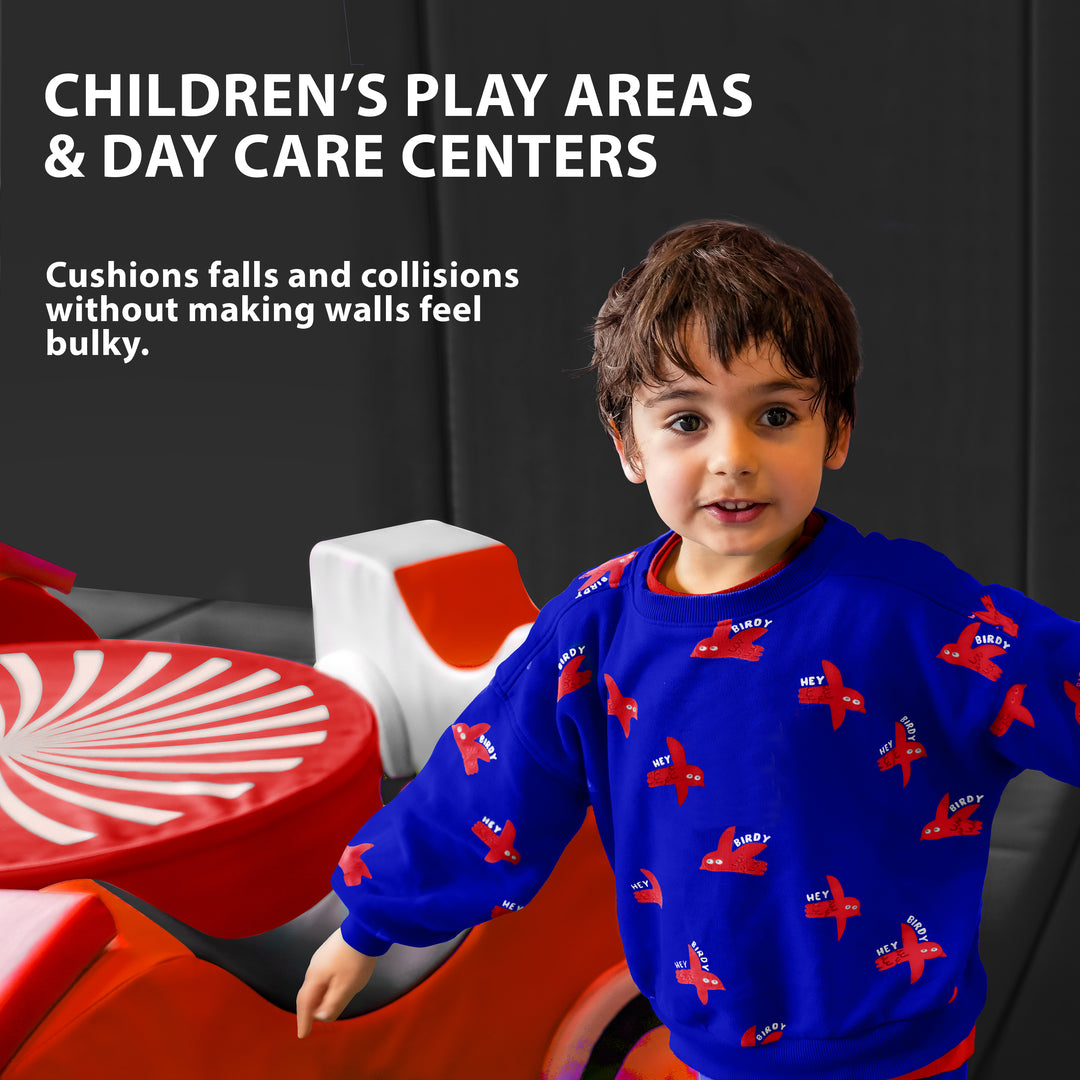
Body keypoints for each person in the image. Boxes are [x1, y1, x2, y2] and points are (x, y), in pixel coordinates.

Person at [296, 220, 1079, 1079]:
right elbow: (485, 782)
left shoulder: (914, 614)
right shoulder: (592, 628)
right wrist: (368, 924)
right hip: (709, 1040)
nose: (732, 458)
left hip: (898, 1048)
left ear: (837, 433)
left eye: (776, 415)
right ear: (629, 444)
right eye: (686, 420)